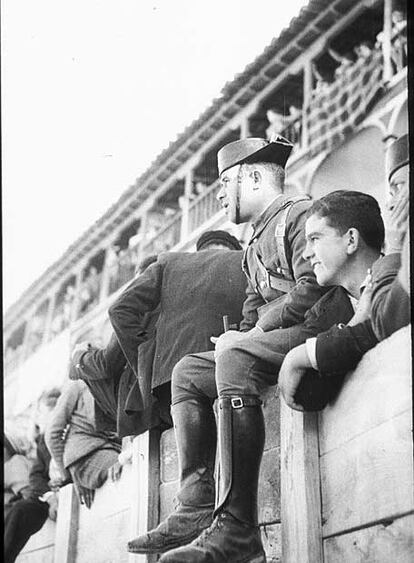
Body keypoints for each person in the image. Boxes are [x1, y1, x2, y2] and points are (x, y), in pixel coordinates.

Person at [128, 137, 327, 561]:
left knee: (233, 356)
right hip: (275, 345)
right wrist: (239, 334)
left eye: (224, 182)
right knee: (188, 370)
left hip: (316, 331)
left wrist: (250, 337)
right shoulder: (252, 247)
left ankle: (238, 528)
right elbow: (253, 311)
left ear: (254, 177)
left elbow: (313, 289)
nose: (218, 193)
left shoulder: (298, 215)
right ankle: (197, 503)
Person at [278, 134, 410, 411]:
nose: (306, 253)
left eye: (315, 239)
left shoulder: (398, 266)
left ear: (351, 240)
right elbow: (307, 393)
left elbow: (388, 319)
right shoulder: (321, 313)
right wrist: (355, 323)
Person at [108, 229, 248, 420]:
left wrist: (146, 357)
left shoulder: (168, 262)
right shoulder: (244, 260)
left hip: (171, 387)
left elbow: (119, 310)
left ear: (199, 250)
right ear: (234, 248)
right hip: (230, 376)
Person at [4, 389, 61, 563]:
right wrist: (49, 495)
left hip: (60, 491)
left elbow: (28, 489)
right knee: (21, 510)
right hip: (46, 495)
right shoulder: (44, 441)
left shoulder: (15, 463)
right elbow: (36, 475)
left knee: (21, 509)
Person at [45, 379, 121, 509]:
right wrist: (68, 477)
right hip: (84, 455)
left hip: (109, 448)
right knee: (125, 470)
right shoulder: (77, 386)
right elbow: (52, 434)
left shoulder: (117, 378)